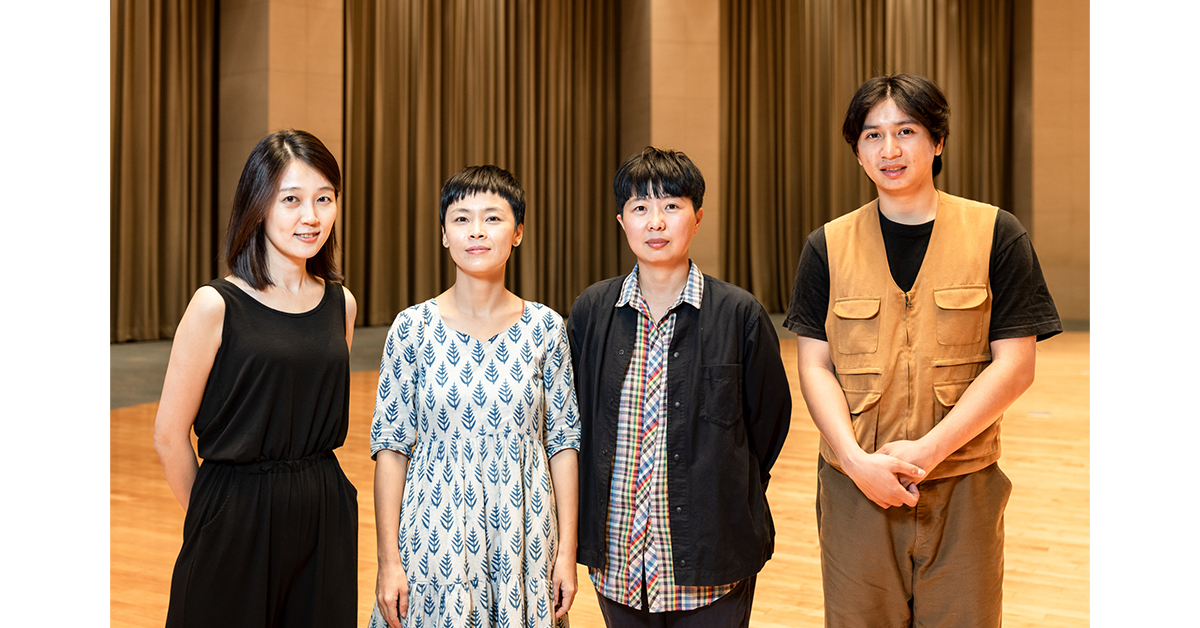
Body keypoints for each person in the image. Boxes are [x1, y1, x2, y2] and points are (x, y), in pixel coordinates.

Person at [787, 74, 1063, 627]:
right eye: (872, 135)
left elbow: (1015, 365)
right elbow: (814, 365)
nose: (889, 150)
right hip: (856, 488)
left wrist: (930, 451)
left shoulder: (996, 233)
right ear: (857, 151)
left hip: (964, 483)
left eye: (906, 131)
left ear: (937, 142)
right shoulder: (827, 245)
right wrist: (856, 462)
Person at [567, 147, 791, 627]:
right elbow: (577, 418)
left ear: (698, 217)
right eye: (640, 208)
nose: (656, 222)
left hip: (713, 556)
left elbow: (767, 426)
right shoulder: (591, 311)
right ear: (622, 221)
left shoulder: (739, 314)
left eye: (671, 206)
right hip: (617, 561)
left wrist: (728, 488)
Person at [153, 129, 359, 627]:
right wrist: (213, 517)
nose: (311, 217)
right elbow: (168, 435)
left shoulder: (342, 304)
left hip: (322, 511)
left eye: (324, 199)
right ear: (258, 205)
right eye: (291, 200)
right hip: (236, 512)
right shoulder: (215, 304)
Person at [369, 165, 581, 628]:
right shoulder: (411, 328)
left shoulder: (546, 327)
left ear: (518, 232)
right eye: (462, 219)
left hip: (524, 532)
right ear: (444, 234)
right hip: (435, 529)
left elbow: (564, 444)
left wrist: (567, 553)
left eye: (493, 217)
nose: (477, 231)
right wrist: (388, 561)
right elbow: (391, 448)